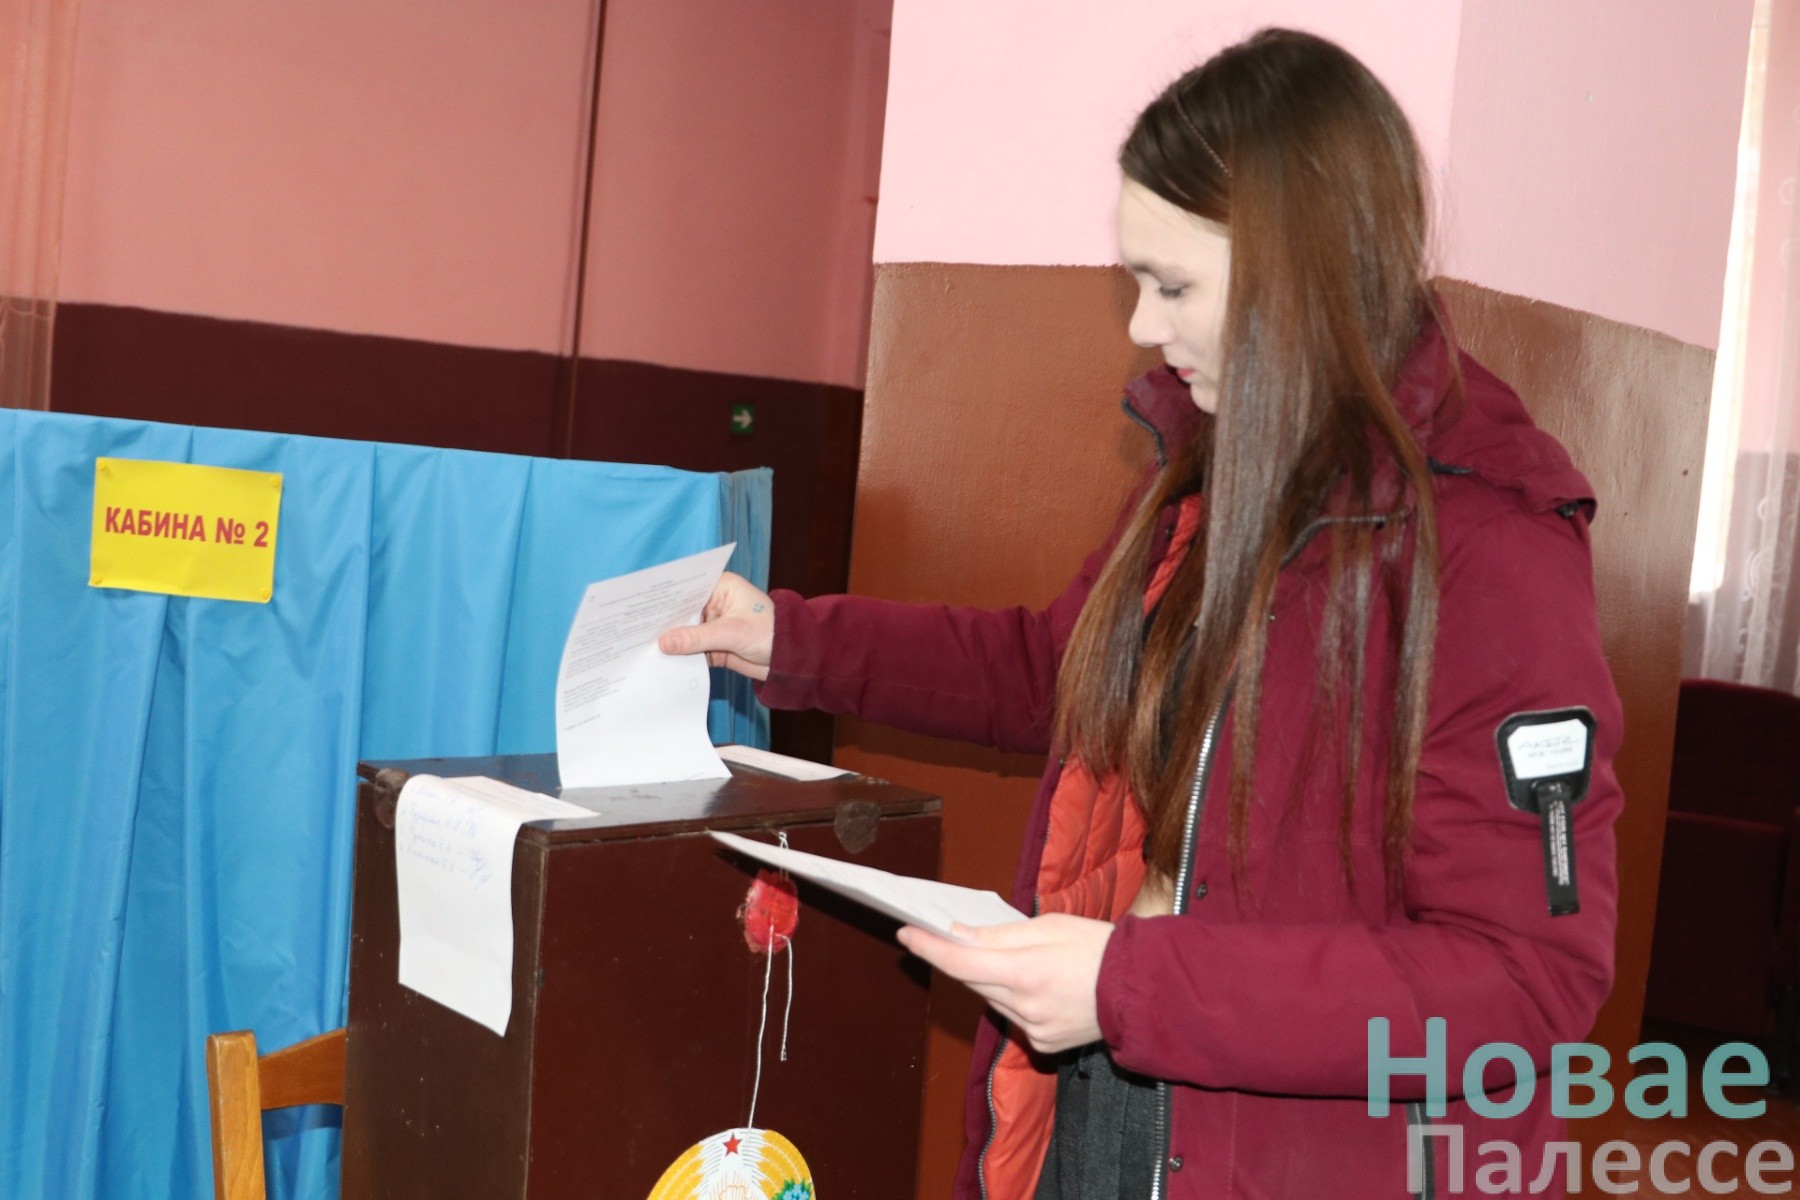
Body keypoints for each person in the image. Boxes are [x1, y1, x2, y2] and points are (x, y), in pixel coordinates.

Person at [661, 27, 1622, 1200]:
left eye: (1174, 287)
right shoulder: (1212, 484)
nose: (1142, 327)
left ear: (1302, 279)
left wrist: (1133, 987)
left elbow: (1522, 984)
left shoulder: (1492, 552)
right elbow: (1057, 675)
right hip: (1108, 1123)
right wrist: (789, 641)